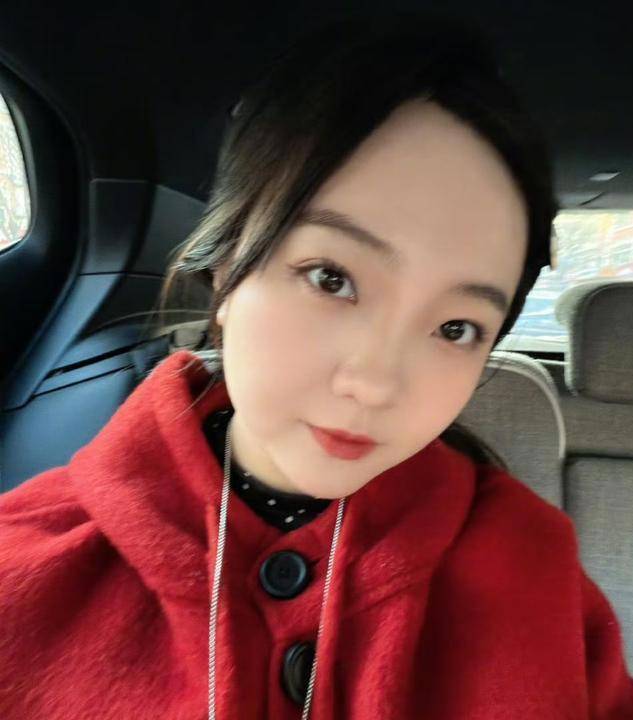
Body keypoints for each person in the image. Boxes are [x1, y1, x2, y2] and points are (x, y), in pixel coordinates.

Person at [1, 12, 632, 720]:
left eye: (455, 328)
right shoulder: (22, 569)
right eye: (331, 278)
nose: (375, 384)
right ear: (227, 274)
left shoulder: (535, 575)